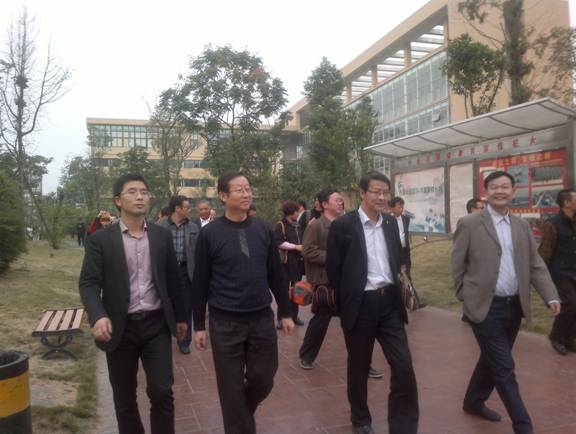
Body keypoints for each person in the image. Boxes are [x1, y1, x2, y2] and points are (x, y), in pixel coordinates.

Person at [452, 170, 560, 434]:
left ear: (513, 191)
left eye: (505, 187)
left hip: (513, 307)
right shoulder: (470, 223)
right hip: (484, 308)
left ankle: (473, 401)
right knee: (504, 367)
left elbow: (535, 265)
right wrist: (465, 296)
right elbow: (457, 264)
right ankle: (523, 425)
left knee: (491, 360)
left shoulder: (521, 226)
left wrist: (550, 295)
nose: (500, 191)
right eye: (494, 187)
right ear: (485, 192)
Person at [79, 174, 187, 434]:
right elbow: (89, 283)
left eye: (144, 192)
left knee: (162, 390)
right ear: (118, 200)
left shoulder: (161, 236)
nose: (140, 196)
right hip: (120, 327)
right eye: (132, 192)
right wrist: (98, 315)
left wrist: (182, 317)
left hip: (156, 325)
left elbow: (173, 279)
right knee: (124, 397)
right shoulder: (101, 240)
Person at [191, 171, 295, 434]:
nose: (246, 194)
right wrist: (198, 325)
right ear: (223, 196)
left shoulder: (262, 228)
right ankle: (239, 421)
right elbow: (200, 281)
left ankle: (239, 412)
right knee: (230, 388)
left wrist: (285, 312)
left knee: (264, 378)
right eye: (239, 190)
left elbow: (275, 274)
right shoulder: (210, 234)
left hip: (261, 318)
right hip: (225, 322)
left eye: (248, 188)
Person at [326, 172, 419, 434]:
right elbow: (334, 269)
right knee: (359, 366)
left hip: (389, 303)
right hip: (361, 306)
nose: (381, 197)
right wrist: (348, 303)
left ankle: (402, 424)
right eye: (376, 191)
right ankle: (360, 418)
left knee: (403, 365)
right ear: (362, 193)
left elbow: (397, 258)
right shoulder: (343, 226)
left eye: (385, 192)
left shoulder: (390, 222)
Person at [298, 189, 344, 370]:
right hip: (324, 282)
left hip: (344, 280)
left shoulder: (344, 224)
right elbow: (307, 251)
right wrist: (333, 257)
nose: (340, 203)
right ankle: (306, 356)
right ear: (325, 204)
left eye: (341, 200)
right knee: (320, 321)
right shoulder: (316, 225)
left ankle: (363, 361)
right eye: (336, 200)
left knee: (354, 322)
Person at [157, 195, 199, 354]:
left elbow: (199, 251)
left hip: (186, 272)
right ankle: (162, 339)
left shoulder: (193, 227)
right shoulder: (160, 226)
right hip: (165, 272)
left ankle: (184, 341)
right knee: (165, 307)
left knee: (186, 307)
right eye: (187, 207)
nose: (190, 209)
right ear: (177, 209)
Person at [538, 189, 576, 355]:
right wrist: (542, 279)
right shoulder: (552, 224)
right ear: (567, 203)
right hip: (559, 272)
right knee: (570, 303)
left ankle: (569, 338)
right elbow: (544, 252)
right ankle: (557, 337)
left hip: (574, 270)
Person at [274, 200, 305, 329]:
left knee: (297, 290)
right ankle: (281, 317)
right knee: (284, 291)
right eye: (296, 211)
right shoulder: (281, 225)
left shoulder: (298, 225)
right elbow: (278, 242)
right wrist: (295, 247)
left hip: (298, 263)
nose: (298, 213)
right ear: (291, 212)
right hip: (286, 263)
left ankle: (294, 315)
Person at [390, 196, 425, 309]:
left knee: (407, 276)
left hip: (405, 252)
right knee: (397, 278)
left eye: (402, 207)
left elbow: (404, 234)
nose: (401, 209)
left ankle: (414, 302)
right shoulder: (387, 221)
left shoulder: (405, 219)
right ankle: (402, 302)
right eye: (399, 207)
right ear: (392, 208)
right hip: (394, 254)